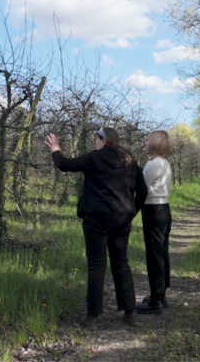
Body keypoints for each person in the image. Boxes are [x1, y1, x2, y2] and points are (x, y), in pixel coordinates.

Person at [45, 127, 147, 328]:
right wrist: (130, 212)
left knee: (96, 265)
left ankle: (92, 317)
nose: (94, 143)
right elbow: (143, 191)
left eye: (96, 139)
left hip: (96, 220)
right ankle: (130, 313)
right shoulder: (129, 161)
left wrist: (55, 149)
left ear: (102, 140)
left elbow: (64, 164)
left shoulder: (95, 158)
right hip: (121, 220)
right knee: (121, 263)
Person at [136, 130, 172, 315]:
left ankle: (155, 300)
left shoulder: (153, 165)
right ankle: (161, 294)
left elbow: (140, 186)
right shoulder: (164, 163)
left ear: (155, 144)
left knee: (154, 254)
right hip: (163, 209)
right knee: (161, 251)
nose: (145, 144)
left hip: (153, 211)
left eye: (148, 141)